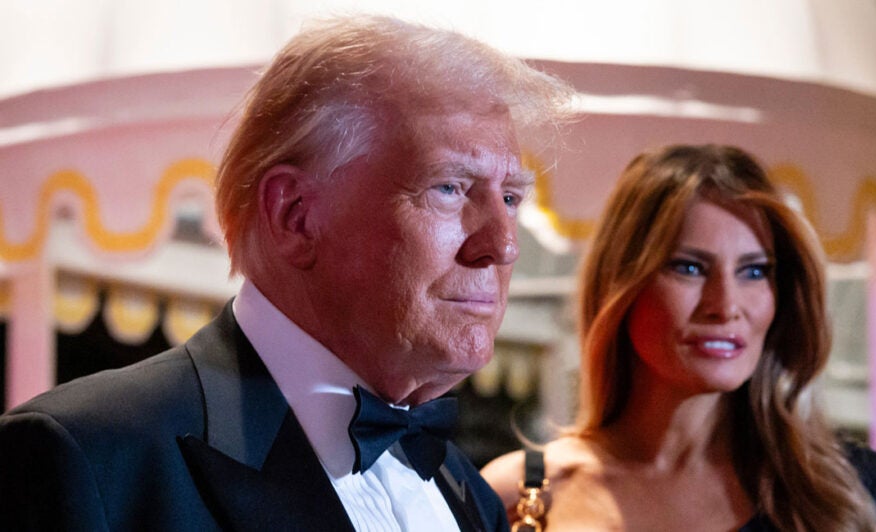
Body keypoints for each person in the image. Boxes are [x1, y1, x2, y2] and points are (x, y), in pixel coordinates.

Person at [0, 14, 574, 531]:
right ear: (295, 216)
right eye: (449, 188)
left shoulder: (466, 493)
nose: (502, 245)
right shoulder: (89, 459)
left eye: (511, 198)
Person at [483, 144, 876, 531]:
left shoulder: (849, 495)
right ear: (621, 285)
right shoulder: (518, 496)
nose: (725, 305)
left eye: (754, 271)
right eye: (689, 267)